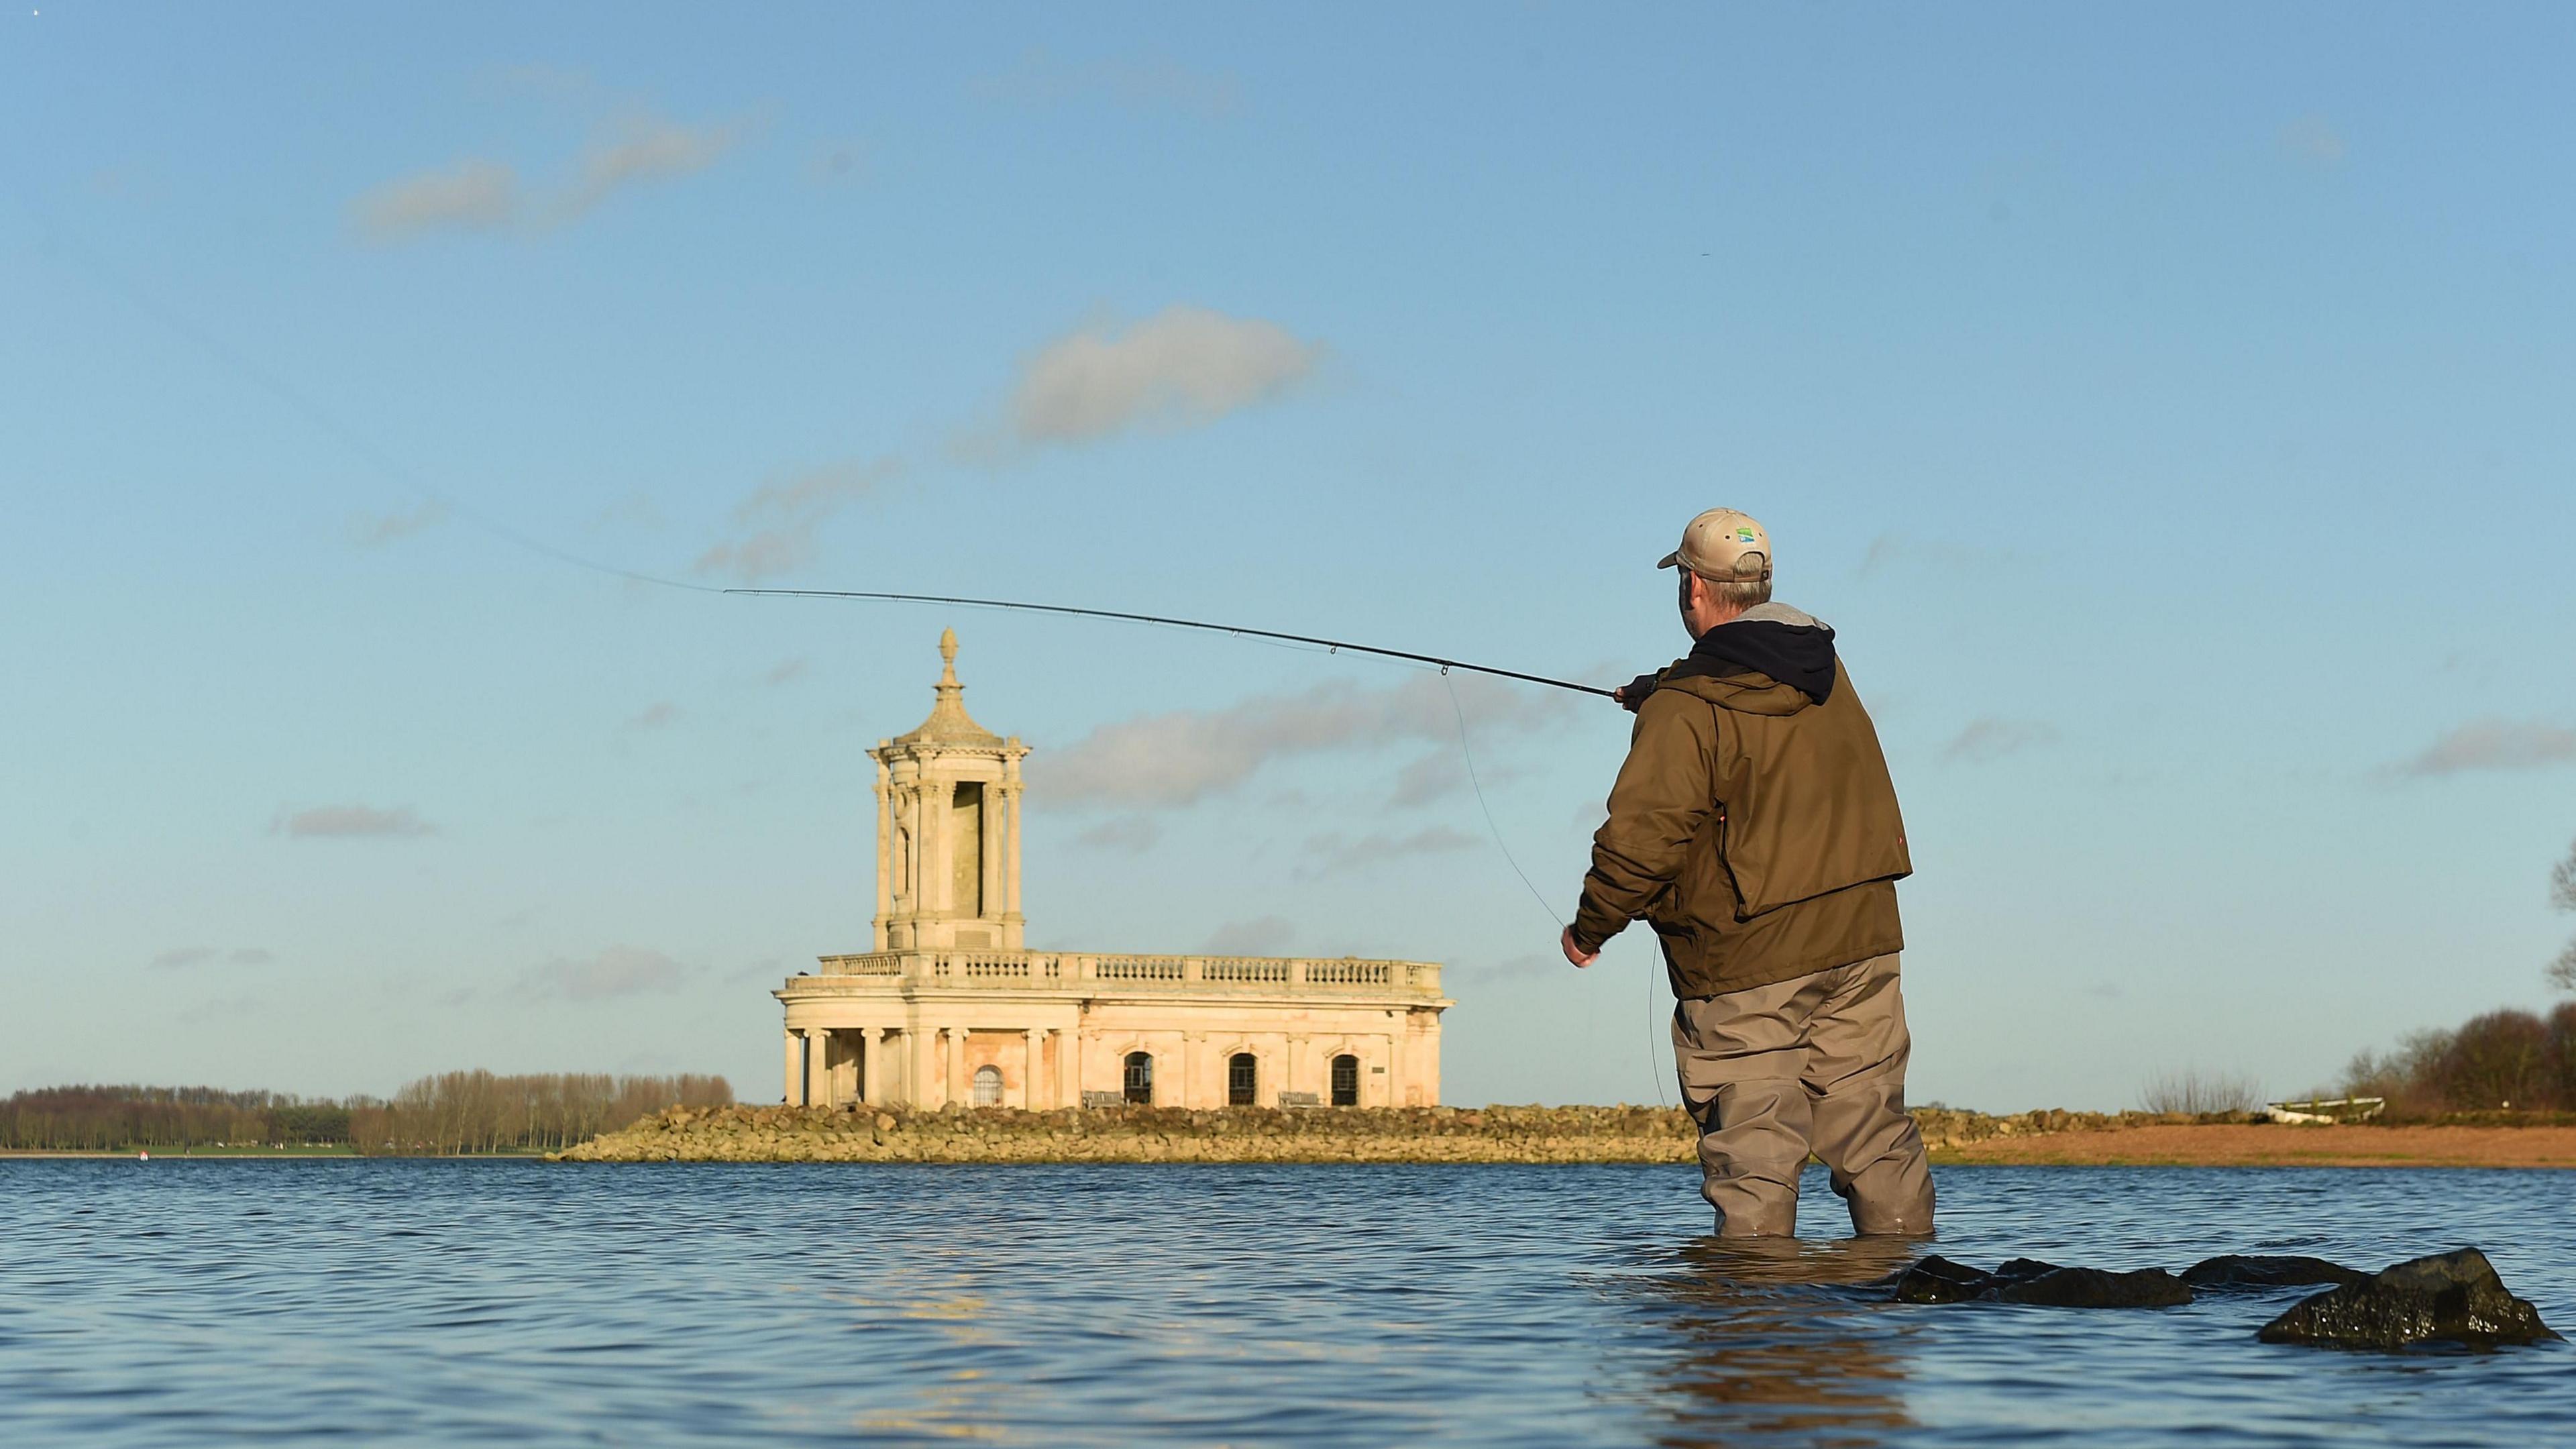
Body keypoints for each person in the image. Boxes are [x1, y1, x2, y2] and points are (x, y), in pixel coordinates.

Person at [1561, 508, 1933, 1236]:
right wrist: (1664, 688)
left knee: (1755, 1150)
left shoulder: (1687, 711)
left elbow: (1641, 842)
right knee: (1875, 1133)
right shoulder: (1825, 670)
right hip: (1862, 941)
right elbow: (1752, 684)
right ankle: (1903, 1298)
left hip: (1746, 959)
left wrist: (1590, 927)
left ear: (1693, 587)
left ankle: (1751, 1335)